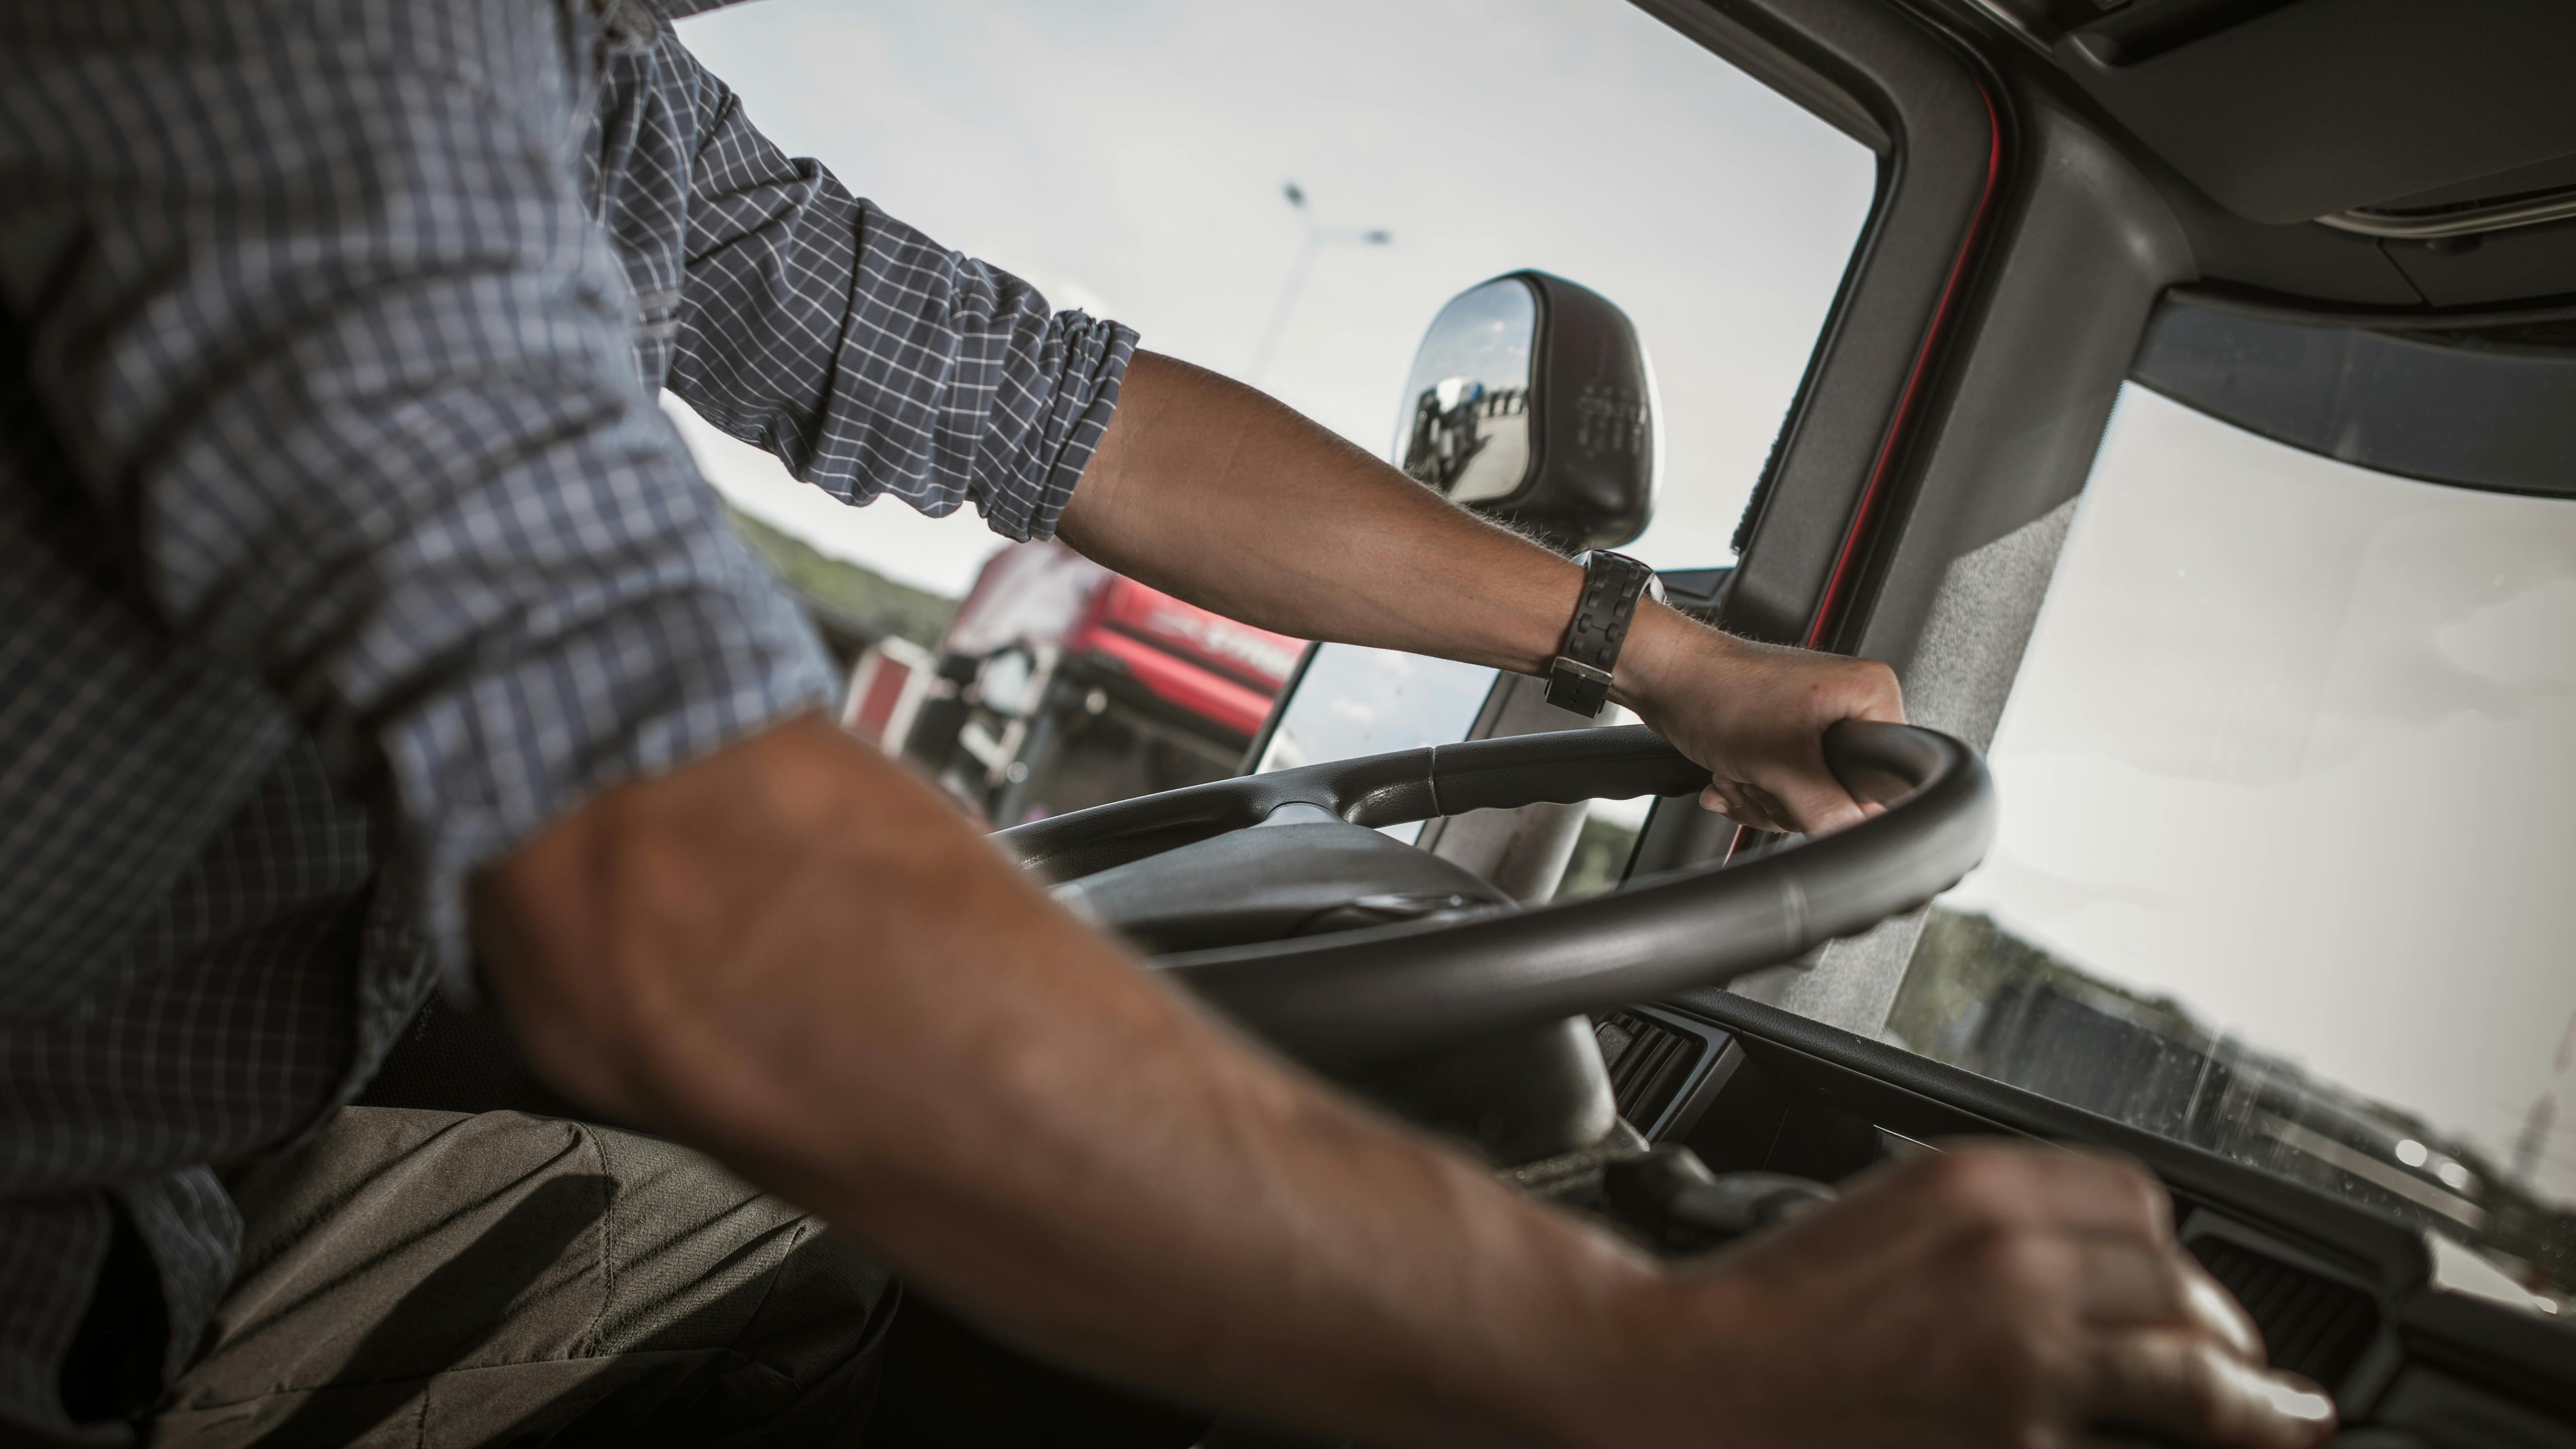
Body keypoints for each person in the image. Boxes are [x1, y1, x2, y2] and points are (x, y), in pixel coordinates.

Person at [0, 0, 2338, 1444]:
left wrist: (1656, 654)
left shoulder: (596, 97)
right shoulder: (308, 44)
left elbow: (1056, 408)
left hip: (197, 1182)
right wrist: (1673, 1367)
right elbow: (682, 883)